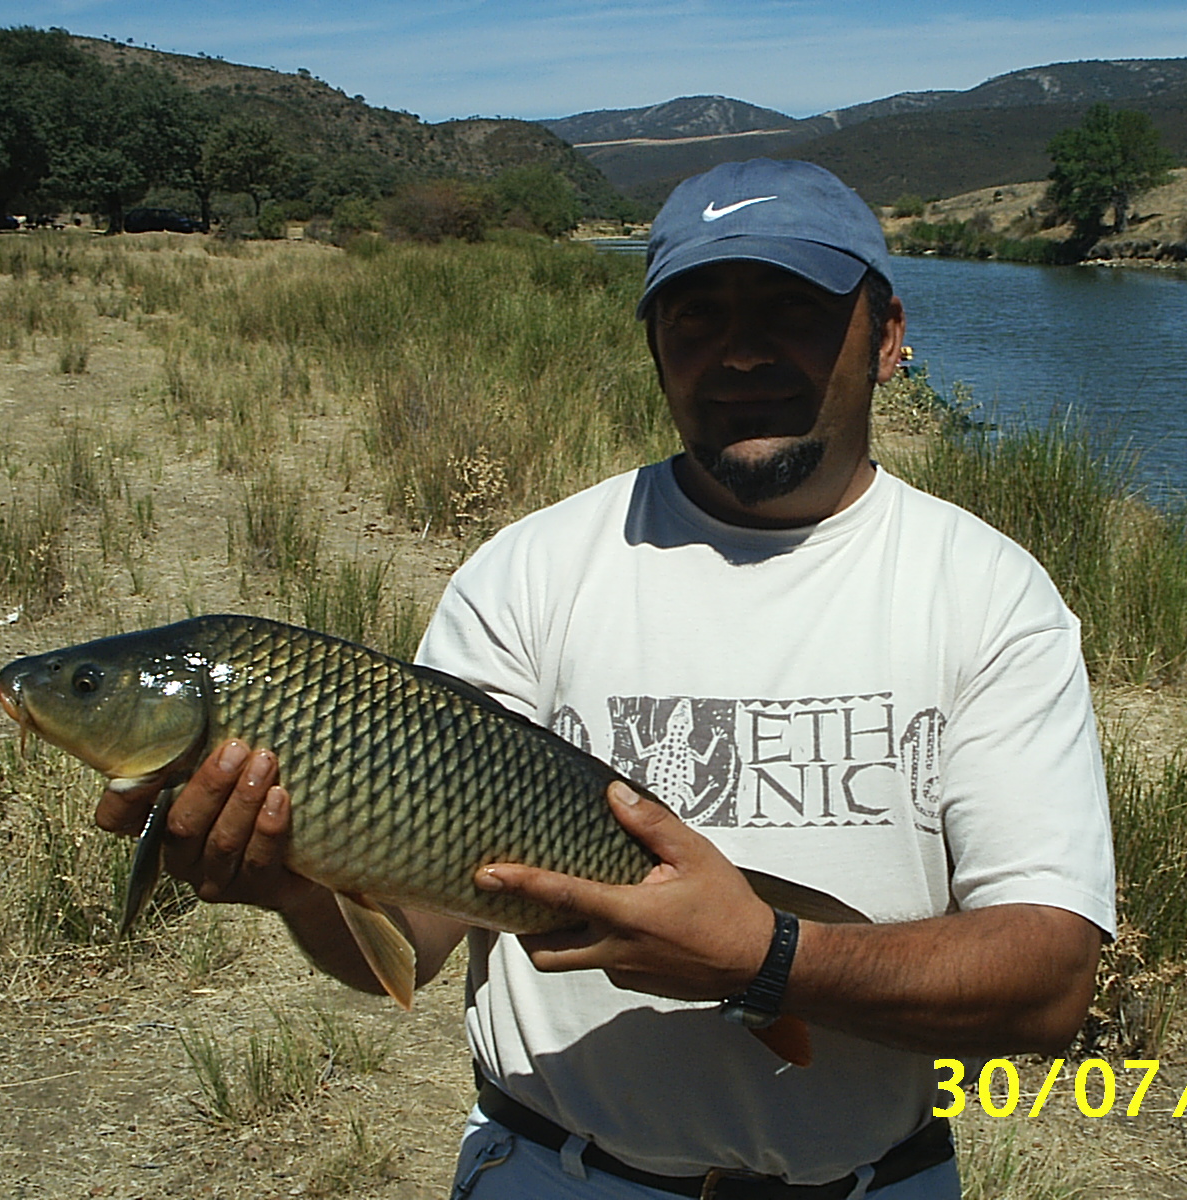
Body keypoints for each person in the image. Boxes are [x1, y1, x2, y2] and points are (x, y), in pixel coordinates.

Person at [96, 158, 1115, 1200]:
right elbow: (417, 936)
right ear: (655, 349)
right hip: (560, 1170)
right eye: (695, 316)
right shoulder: (530, 571)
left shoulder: (991, 594)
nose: (741, 349)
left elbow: (1046, 985)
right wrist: (297, 887)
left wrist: (766, 959)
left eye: (792, 309)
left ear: (888, 335)